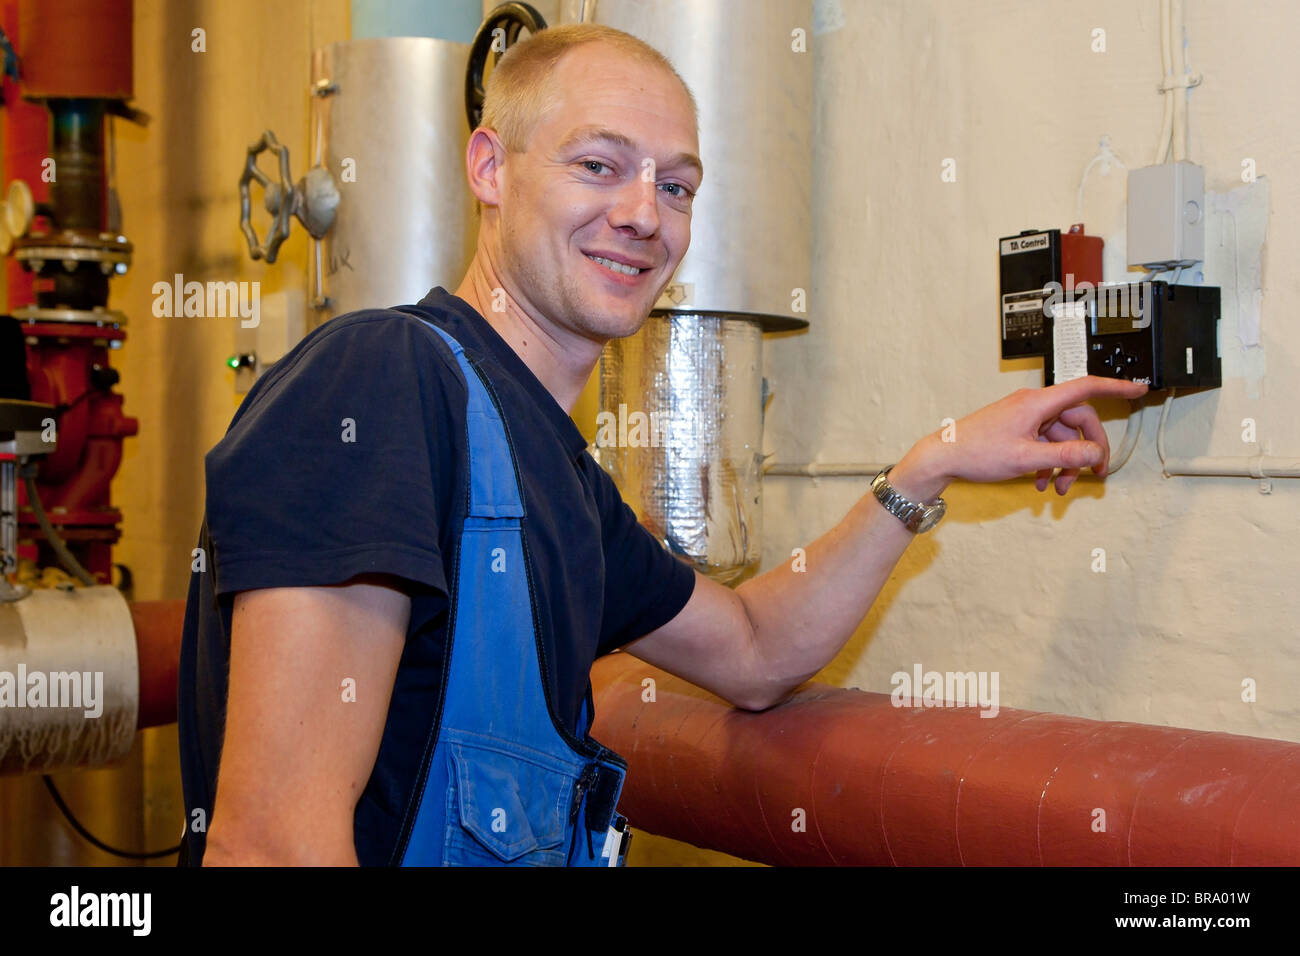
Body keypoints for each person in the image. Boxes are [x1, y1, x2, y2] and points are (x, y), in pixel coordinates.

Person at [177, 23, 1146, 866]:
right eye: (597, 165)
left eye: (675, 185)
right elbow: (274, 844)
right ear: (489, 167)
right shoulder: (385, 382)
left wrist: (926, 465)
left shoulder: (549, 471)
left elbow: (757, 649)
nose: (644, 213)